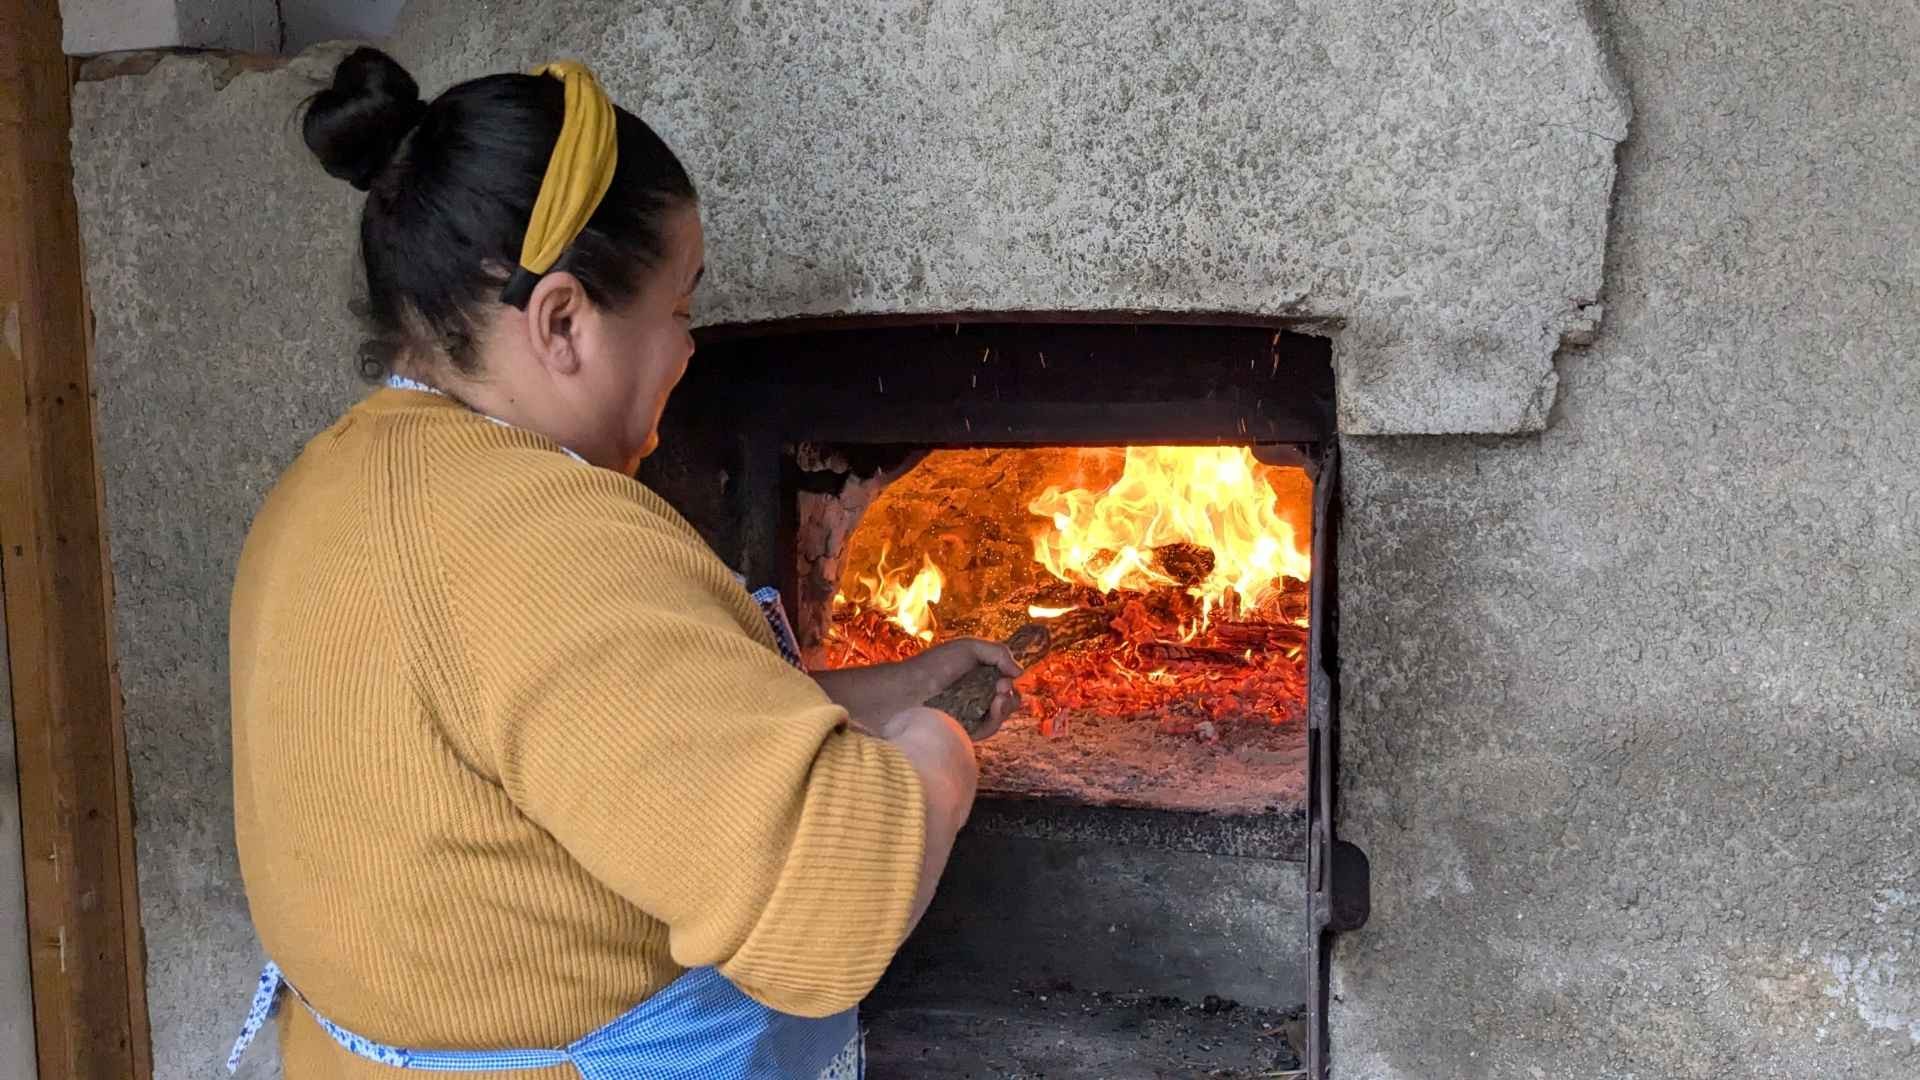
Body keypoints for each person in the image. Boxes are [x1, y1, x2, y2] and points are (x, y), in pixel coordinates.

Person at [224, 47, 1018, 1080]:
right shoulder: (546, 538)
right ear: (562, 321)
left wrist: (890, 687)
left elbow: (597, 737)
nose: (687, 351)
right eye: (679, 309)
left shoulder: (327, 489)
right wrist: (941, 745)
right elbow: (837, 897)